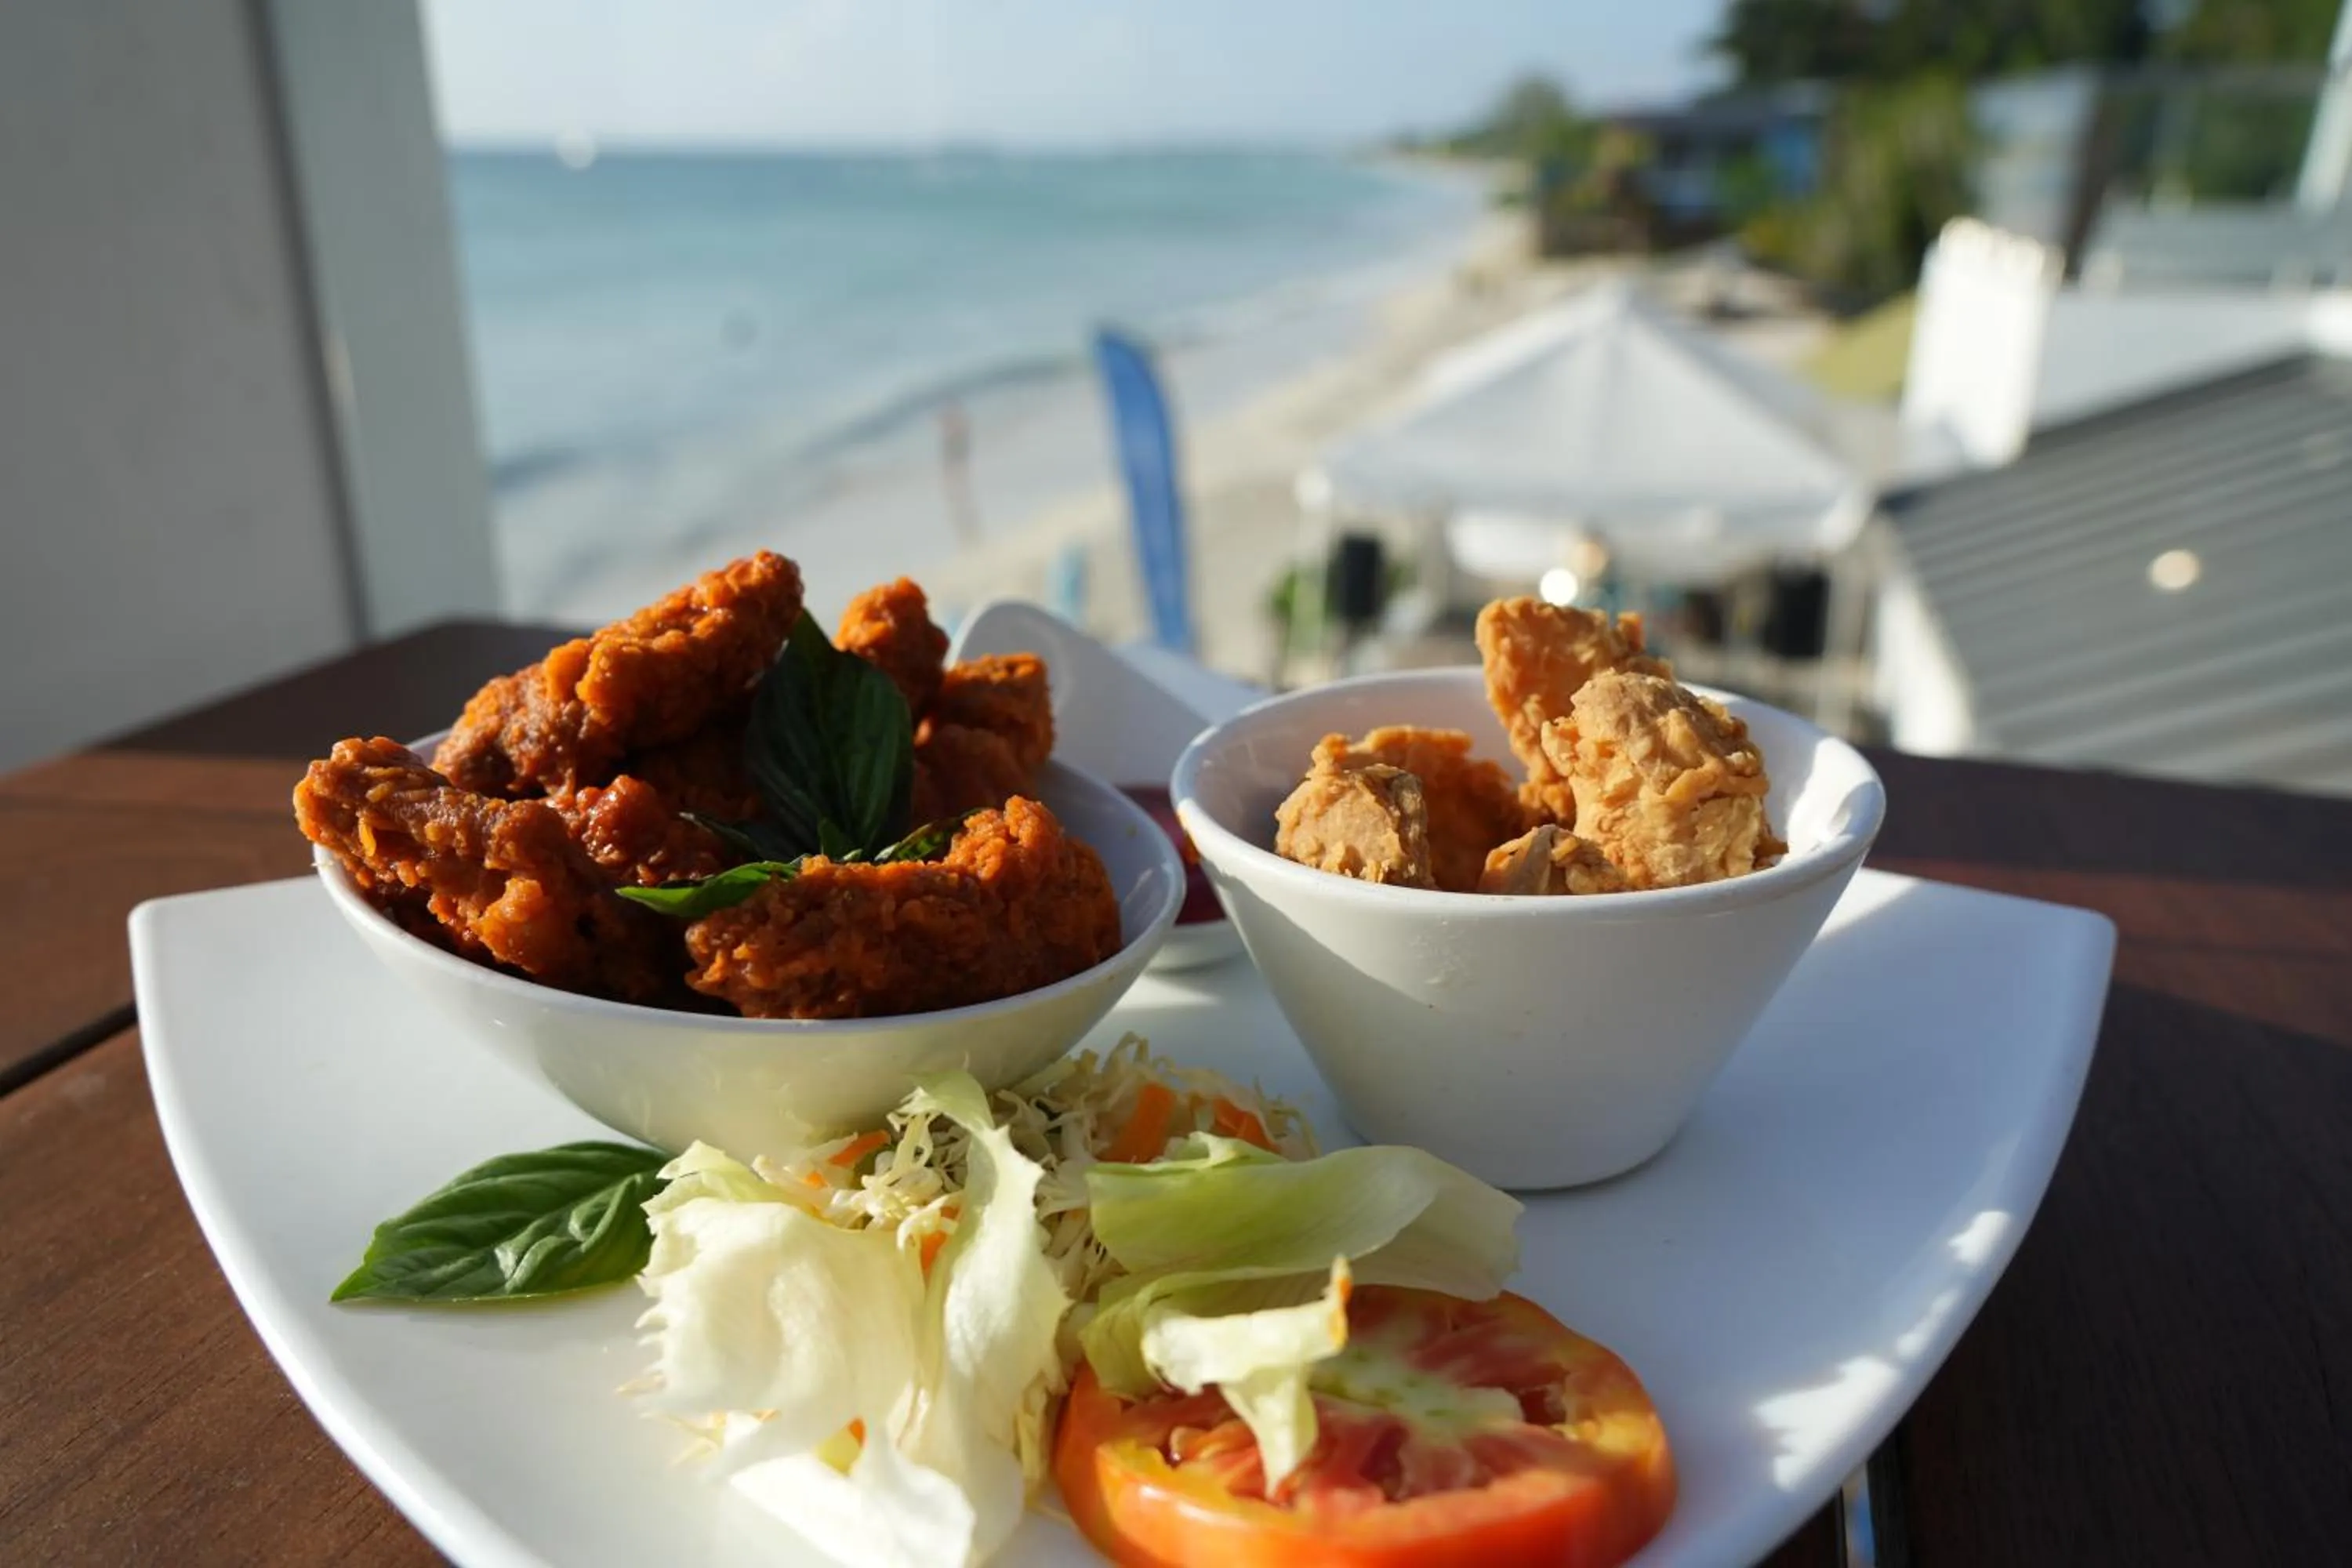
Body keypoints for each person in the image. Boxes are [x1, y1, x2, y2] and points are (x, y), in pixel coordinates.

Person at [939, 400, 981, 546]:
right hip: (957, 470)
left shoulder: (957, 436)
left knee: (960, 503)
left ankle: (970, 535)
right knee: (961, 503)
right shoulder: (958, 436)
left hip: (957, 471)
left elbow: (956, 457)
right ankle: (969, 535)